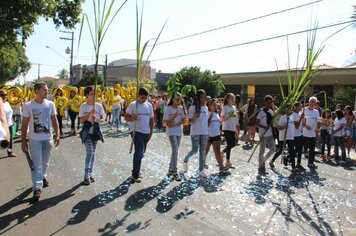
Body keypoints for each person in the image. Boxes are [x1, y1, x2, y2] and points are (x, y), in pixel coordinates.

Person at [21, 82, 60, 201]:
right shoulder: (28, 106)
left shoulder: (50, 104)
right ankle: (37, 188)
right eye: (45, 90)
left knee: (45, 162)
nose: (47, 92)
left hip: (48, 139)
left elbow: (54, 120)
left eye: (47, 90)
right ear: (37, 91)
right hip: (34, 140)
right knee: (37, 164)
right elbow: (24, 124)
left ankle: (43, 176)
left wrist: (57, 135)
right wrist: (23, 141)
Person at [125, 87, 154, 183]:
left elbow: (151, 119)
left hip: (146, 132)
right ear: (138, 96)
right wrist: (132, 117)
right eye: (142, 97)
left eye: (146, 98)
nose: (144, 99)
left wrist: (151, 132)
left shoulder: (149, 105)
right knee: (139, 151)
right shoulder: (133, 105)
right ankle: (135, 174)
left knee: (142, 152)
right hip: (136, 131)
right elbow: (126, 116)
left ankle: (136, 169)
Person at [79, 86, 105, 185]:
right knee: (89, 152)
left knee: (93, 153)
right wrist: (89, 114)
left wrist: (97, 119)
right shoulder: (83, 106)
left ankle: (90, 173)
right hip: (86, 132)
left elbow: (103, 118)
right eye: (91, 93)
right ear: (86, 95)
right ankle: (86, 175)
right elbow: (81, 120)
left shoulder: (99, 106)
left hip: (95, 132)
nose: (93, 95)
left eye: (95, 93)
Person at [183, 89, 209, 178]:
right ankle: (186, 159)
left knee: (202, 151)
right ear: (197, 98)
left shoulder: (206, 108)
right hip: (195, 132)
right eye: (202, 97)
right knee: (194, 150)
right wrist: (193, 118)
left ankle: (201, 170)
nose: (203, 99)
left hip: (204, 132)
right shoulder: (192, 108)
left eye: (204, 97)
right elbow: (188, 121)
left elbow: (206, 121)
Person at [163, 92, 186, 181]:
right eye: (177, 100)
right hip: (171, 132)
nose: (178, 102)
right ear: (172, 99)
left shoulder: (181, 108)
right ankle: (175, 172)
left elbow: (184, 121)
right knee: (175, 150)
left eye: (180, 100)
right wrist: (174, 117)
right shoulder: (168, 109)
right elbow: (167, 123)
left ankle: (170, 168)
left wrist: (178, 123)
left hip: (179, 132)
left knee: (175, 151)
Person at [205, 99, 229, 175]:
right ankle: (202, 162)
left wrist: (227, 117)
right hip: (208, 136)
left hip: (216, 135)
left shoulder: (216, 114)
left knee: (217, 152)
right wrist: (210, 117)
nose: (215, 106)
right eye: (214, 104)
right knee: (206, 151)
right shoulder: (207, 113)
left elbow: (220, 122)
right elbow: (206, 125)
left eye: (216, 104)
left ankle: (221, 167)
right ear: (209, 105)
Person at [256, 95, 275, 174]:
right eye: (268, 102)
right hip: (263, 134)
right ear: (265, 102)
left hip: (270, 133)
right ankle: (261, 167)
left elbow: (273, 121)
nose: (270, 103)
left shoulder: (271, 111)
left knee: (272, 149)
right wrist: (264, 127)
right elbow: (256, 123)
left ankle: (263, 160)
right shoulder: (261, 112)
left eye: (271, 102)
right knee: (262, 150)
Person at [302, 97, 320, 169]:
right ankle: (290, 158)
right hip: (303, 132)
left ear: (315, 104)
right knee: (299, 148)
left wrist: (317, 129)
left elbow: (317, 121)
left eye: (314, 102)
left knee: (312, 148)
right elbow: (301, 120)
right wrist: (306, 126)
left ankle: (310, 162)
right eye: (311, 102)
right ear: (309, 102)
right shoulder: (304, 110)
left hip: (312, 133)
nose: (312, 103)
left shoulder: (316, 112)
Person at [221, 93, 237, 168]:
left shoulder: (234, 107)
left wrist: (236, 129)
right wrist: (230, 115)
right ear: (227, 99)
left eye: (234, 98)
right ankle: (228, 162)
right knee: (229, 144)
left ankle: (222, 152)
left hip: (232, 127)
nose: (233, 100)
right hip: (226, 127)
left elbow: (234, 119)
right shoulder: (225, 108)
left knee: (233, 144)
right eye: (232, 98)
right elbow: (222, 118)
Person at [0, 90, 16, 157]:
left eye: (6, 94)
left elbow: (10, 113)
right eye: (2, 95)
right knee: (1, 139)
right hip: (2, 126)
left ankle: (10, 152)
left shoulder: (7, 103)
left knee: (11, 138)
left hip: (9, 124)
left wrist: (12, 121)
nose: (4, 96)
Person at [291, 101, 305, 170]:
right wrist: (300, 118)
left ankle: (298, 164)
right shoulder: (293, 115)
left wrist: (303, 118)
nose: (301, 107)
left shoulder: (300, 113)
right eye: (300, 106)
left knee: (300, 150)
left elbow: (303, 124)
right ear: (296, 107)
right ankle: (288, 157)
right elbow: (296, 125)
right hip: (295, 135)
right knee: (296, 149)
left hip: (300, 134)